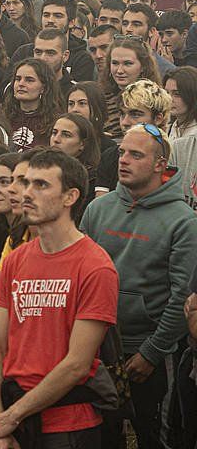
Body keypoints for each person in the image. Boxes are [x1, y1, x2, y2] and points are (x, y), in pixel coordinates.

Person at [0, 149, 118, 449]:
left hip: (68, 424)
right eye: (27, 183)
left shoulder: (95, 266)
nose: (27, 193)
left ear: (70, 197)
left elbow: (77, 365)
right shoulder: (16, 260)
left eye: (41, 185)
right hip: (12, 416)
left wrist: (11, 417)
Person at [80, 125, 197, 449]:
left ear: (161, 164)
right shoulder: (97, 209)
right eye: (121, 153)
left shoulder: (183, 220)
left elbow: (182, 297)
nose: (124, 160)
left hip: (151, 353)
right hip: (96, 345)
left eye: (136, 154)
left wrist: (152, 352)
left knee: (154, 437)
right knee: (102, 436)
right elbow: (78, 275)